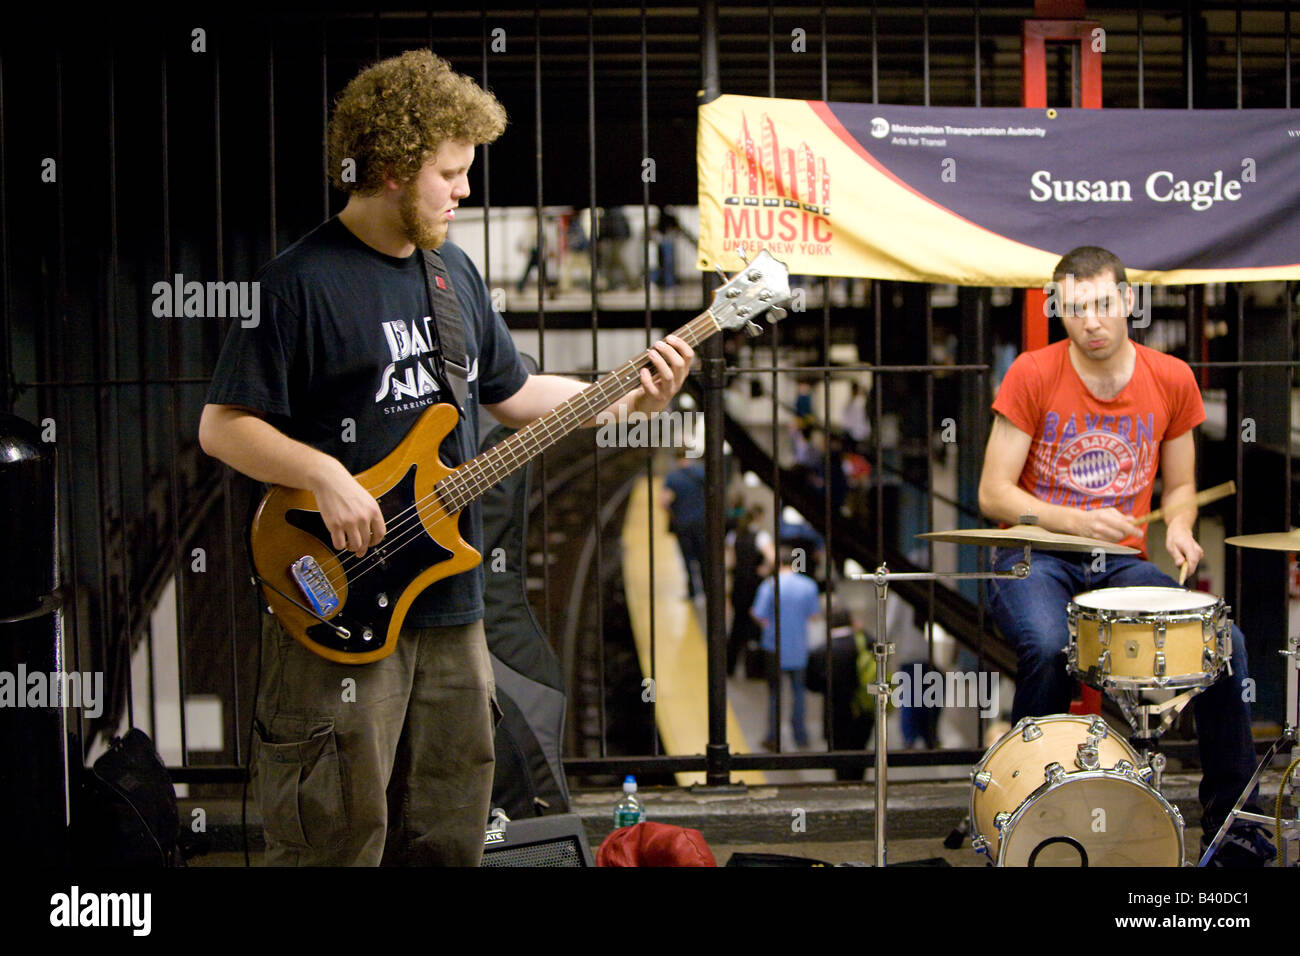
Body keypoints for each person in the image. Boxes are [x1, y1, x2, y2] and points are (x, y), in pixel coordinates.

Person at [197, 49, 693, 866]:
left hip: (448, 600)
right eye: (451, 172)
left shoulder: (450, 274)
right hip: (337, 594)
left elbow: (515, 392)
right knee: (336, 830)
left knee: (450, 823)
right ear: (391, 167)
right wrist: (323, 474)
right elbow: (223, 427)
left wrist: (628, 394)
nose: (465, 190)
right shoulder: (297, 284)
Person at [978, 245, 1273, 866]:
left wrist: (1183, 527)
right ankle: (1024, 813)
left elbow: (1182, 488)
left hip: (1120, 561)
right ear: (1060, 310)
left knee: (1229, 645)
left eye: (1104, 304)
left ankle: (1234, 831)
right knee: (1045, 646)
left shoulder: (1170, 378)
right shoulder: (1033, 373)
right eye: (1077, 308)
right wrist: (1077, 519)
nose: (1092, 321)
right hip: (1036, 553)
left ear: (1128, 302)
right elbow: (993, 493)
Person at [751, 543, 822, 750]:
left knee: (774, 694)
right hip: (799, 647)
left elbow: (758, 614)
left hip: (774, 647)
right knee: (799, 693)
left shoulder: (769, 586)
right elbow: (814, 615)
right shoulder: (808, 586)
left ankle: (773, 736)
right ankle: (800, 735)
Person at [725, 504, 772, 676]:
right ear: (759, 517)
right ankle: (753, 670)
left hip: (739, 586)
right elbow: (772, 558)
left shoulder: (733, 536)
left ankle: (729, 667)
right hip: (754, 587)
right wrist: (763, 570)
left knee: (737, 627)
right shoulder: (761, 537)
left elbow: (731, 563)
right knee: (755, 628)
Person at [662, 452, 707, 599]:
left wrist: (674, 513)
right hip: (701, 522)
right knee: (703, 556)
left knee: (687, 557)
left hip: (683, 523)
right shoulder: (701, 472)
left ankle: (693, 590)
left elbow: (664, 502)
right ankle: (707, 588)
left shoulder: (672, 477)